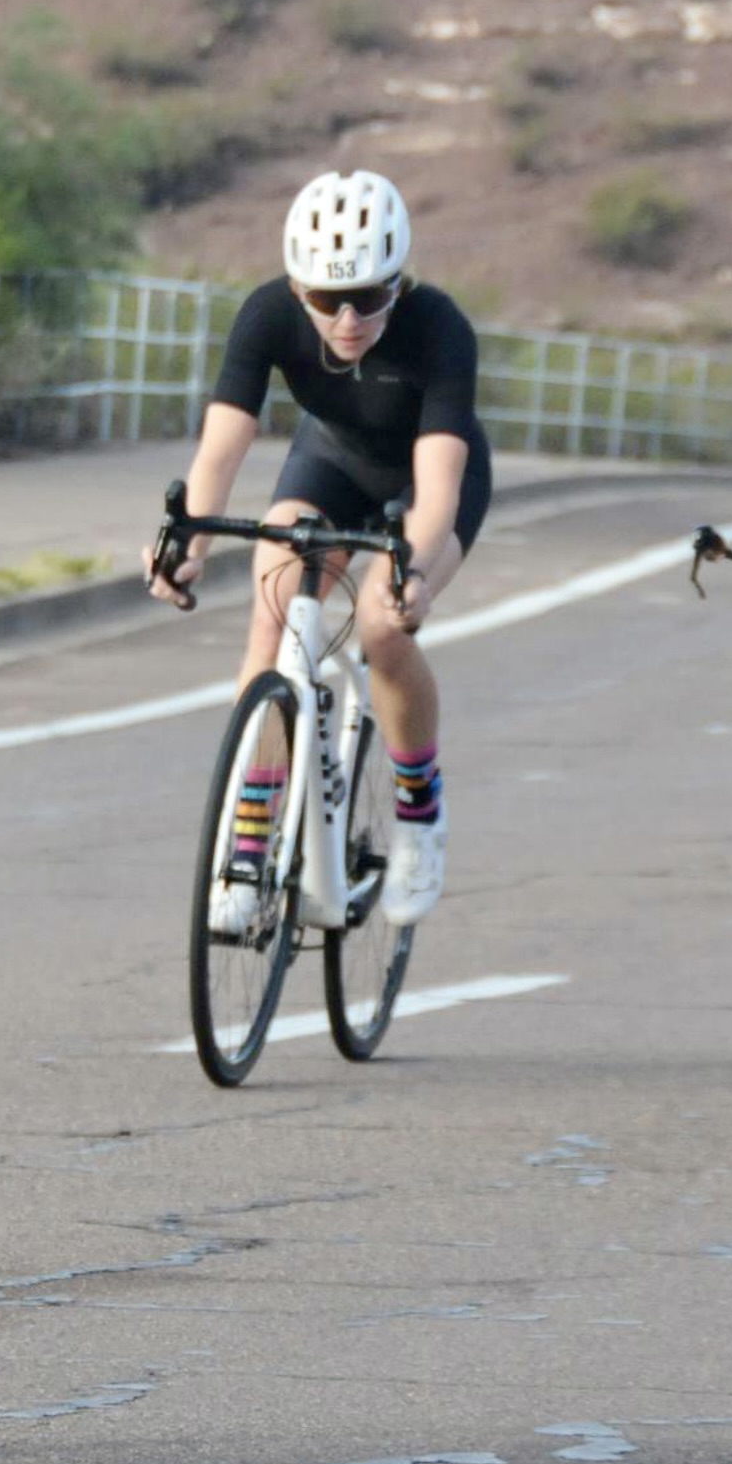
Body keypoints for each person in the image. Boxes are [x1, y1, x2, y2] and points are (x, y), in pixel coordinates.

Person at [147, 170, 488, 930]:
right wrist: (186, 542)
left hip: (427, 478)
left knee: (381, 625)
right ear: (297, 288)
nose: (348, 319)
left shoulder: (438, 327)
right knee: (271, 615)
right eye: (327, 300)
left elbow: (437, 489)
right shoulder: (267, 313)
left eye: (368, 296)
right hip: (332, 462)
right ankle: (248, 845)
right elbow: (220, 452)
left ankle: (419, 812)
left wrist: (410, 573)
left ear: (398, 281)